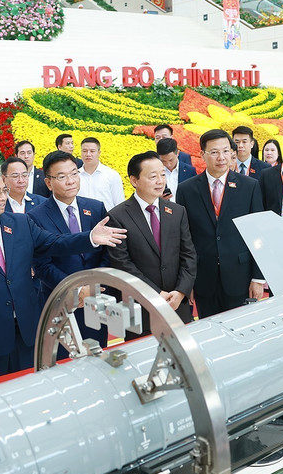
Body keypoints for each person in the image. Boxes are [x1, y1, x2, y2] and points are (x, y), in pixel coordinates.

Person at [0, 167, 125, 384]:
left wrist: (90, 238)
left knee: (31, 390)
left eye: (4, 191)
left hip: (28, 332)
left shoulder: (20, 223)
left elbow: (55, 243)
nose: (3, 197)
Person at [178, 129, 264, 317]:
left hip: (239, 276)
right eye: (214, 152)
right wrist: (186, 282)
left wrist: (258, 278)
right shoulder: (186, 190)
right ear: (203, 154)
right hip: (203, 278)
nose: (222, 157)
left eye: (226, 151)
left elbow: (258, 234)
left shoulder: (249, 187)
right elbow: (184, 239)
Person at [106, 152, 197, 331]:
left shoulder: (177, 211)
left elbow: (189, 254)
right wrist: (155, 294)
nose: (160, 181)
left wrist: (180, 291)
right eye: (152, 176)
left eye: (162, 174)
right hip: (140, 305)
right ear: (134, 180)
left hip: (176, 303)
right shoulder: (117, 217)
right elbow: (122, 264)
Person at [29, 151, 110, 351]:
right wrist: (76, 291)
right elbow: (41, 265)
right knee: (65, 359)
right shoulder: (35, 217)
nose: (70, 181)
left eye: (74, 174)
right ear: (48, 183)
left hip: (95, 298)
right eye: (62, 177)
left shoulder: (95, 207)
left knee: (98, 354)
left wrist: (94, 284)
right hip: (59, 301)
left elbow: (108, 252)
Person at [78, 137, 125, 209]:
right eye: (84, 151)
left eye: (92, 151)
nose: (88, 154)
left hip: (107, 218)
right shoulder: (75, 176)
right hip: (82, 219)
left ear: (99, 153)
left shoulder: (111, 175)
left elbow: (120, 204)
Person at [156, 137, 196, 203]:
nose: (168, 164)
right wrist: (158, 200)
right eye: (163, 161)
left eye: (171, 160)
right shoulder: (155, 171)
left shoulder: (190, 171)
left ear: (177, 153)